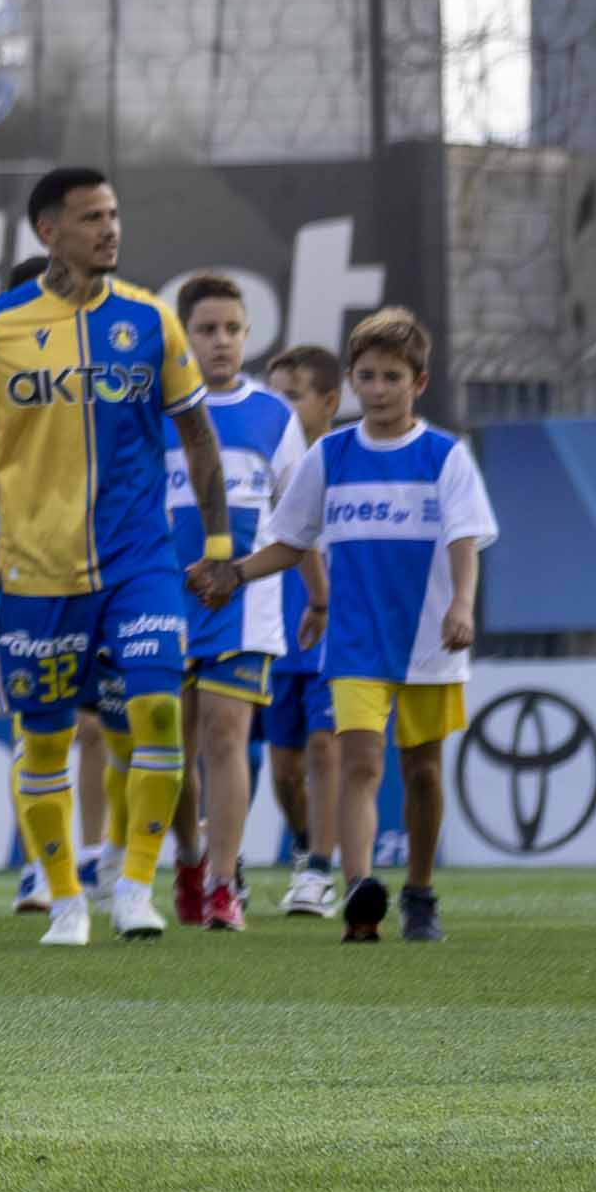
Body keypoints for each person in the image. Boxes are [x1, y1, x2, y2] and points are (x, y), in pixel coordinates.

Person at [0, 163, 229, 953]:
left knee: (155, 711)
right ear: (49, 231)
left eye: (114, 215)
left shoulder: (153, 321)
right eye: (91, 218)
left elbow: (197, 436)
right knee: (46, 739)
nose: (109, 230)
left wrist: (218, 546)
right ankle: (64, 899)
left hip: (139, 563)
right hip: (34, 570)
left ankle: (135, 887)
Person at [253, 308, 490, 944]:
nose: (378, 389)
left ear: (420, 382)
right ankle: (360, 894)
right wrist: (233, 573)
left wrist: (461, 604)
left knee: (423, 771)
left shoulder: (446, 456)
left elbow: (467, 538)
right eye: (367, 376)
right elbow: (290, 540)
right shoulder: (330, 455)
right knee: (359, 761)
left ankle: (419, 893)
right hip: (354, 641)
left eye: (392, 376)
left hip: (428, 642)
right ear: (352, 383)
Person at [164, 272, 301, 937]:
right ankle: (189, 858)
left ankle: (224, 883)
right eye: (206, 330)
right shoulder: (158, 407)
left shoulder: (275, 415)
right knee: (169, 745)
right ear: (184, 336)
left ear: (248, 334)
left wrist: (248, 576)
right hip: (164, 597)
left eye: (232, 329)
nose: (220, 342)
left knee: (225, 736)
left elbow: (299, 521)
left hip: (245, 603)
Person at [259, 340, 354, 914]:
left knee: (326, 746)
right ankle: (302, 846)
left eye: (292, 397)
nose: (281, 408)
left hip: (337, 634)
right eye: (274, 396)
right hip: (277, 631)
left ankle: (320, 869)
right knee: (284, 767)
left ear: (329, 402)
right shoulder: (265, 466)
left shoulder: (348, 462)